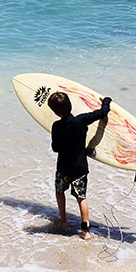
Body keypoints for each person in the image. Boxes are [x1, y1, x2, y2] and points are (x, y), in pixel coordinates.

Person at [48, 91, 112, 240]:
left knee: (59, 192)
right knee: (81, 197)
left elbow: (55, 148)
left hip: (63, 168)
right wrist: (106, 101)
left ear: (56, 113)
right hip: (80, 167)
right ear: (70, 105)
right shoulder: (81, 121)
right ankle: (86, 231)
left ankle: (63, 221)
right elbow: (102, 113)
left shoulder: (56, 126)